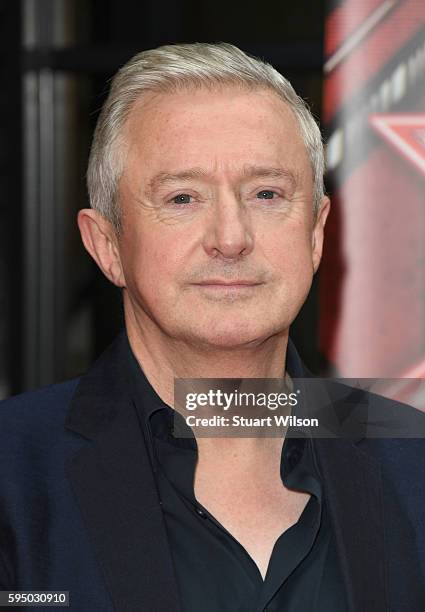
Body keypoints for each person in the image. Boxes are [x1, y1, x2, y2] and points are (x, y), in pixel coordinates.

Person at [0, 43, 424, 612]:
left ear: (317, 233)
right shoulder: (13, 472)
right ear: (107, 245)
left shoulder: (413, 458)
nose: (230, 237)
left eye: (267, 194)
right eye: (182, 198)